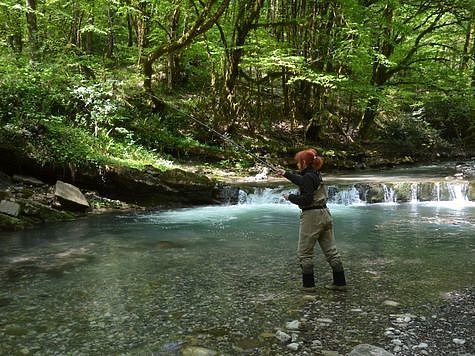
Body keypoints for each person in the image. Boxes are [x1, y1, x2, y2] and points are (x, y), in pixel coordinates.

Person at [276, 148, 347, 292]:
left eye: (298, 162)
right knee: (331, 251)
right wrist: (286, 174)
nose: (297, 164)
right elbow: (303, 182)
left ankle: (308, 287)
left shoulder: (308, 177)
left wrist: (290, 197)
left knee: (304, 253)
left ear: (303, 162)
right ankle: (340, 283)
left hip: (311, 217)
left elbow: (307, 199)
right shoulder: (315, 174)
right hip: (325, 213)